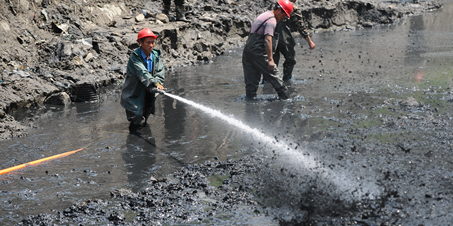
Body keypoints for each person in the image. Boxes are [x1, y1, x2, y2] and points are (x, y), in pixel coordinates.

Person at [242, 0, 293, 100]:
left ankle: (250, 105)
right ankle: (286, 99)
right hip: (258, 51)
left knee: (251, 81)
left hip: (248, 50)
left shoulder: (265, 14)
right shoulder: (271, 20)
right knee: (275, 75)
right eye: (284, 15)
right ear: (279, 10)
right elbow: (267, 39)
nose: (284, 19)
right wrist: (270, 60)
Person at [121, 28, 165, 132]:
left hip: (149, 89)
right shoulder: (135, 57)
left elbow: (160, 71)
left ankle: (144, 134)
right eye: (148, 42)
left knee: (147, 110)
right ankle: (134, 137)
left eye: (153, 42)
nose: (151, 45)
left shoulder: (155, 56)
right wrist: (155, 82)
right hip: (135, 89)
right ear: (140, 43)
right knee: (136, 114)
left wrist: (158, 83)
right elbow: (142, 73)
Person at [274, 0, 315, 82]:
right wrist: (309, 41)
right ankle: (287, 80)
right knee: (291, 58)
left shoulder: (277, 3)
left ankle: (268, 81)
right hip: (283, 34)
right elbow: (299, 25)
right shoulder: (293, 7)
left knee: (272, 59)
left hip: (271, 34)